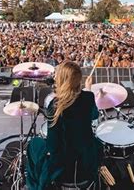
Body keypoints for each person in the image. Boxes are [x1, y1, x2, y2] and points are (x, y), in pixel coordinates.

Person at [26, 61, 100, 190]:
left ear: (62, 80)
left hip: (62, 167)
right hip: (85, 158)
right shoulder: (88, 97)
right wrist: (88, 89)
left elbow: (52, 145)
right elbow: (94, 116)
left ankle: (34, 186)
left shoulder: (55, 105)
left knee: (34, 144)